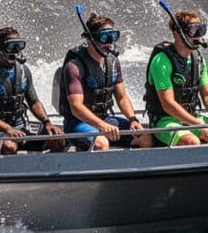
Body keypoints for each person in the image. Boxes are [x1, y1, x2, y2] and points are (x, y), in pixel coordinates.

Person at [143, 8, 208, 146]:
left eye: (201, 29)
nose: (198, 35)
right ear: (177, 34)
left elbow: (207, 94)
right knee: (192, 141)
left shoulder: (198, 60)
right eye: (193, 30)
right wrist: (199, 126)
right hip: (165, 121)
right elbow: (168, 104)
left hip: (191, 118)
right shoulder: (161, 61)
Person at [58, 13, 154, 152]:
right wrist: (102, 126)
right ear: (89, 38)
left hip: (105, 118)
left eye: (113, 36)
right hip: (78, 123)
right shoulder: (74, 66)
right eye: (104, 37)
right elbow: (76, 107)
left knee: (146, 137)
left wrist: (133, 119)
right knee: (101, 143)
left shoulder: (113, 62)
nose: (109, 42)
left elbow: (122, 97)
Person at [0, 27, 65, 154]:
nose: (16, 50)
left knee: (58, 139)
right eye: (11, 46)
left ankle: (46, 165)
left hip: (21, 129)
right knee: (10, 147)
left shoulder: (23, 71)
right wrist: (8, 129)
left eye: (20, 45)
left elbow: (34, 102)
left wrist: (47, 122)